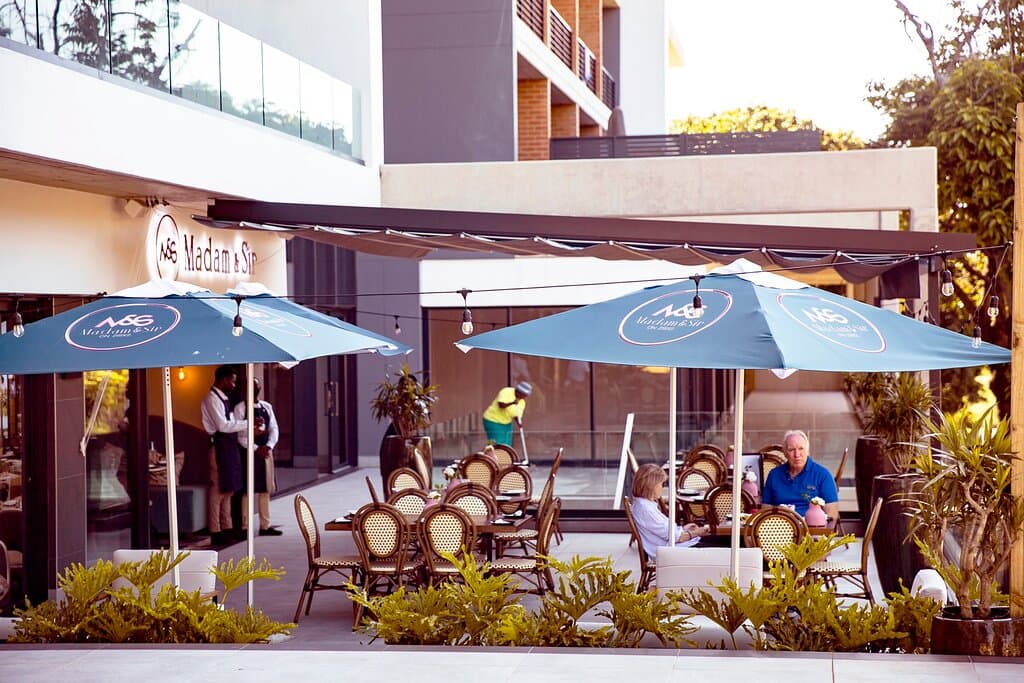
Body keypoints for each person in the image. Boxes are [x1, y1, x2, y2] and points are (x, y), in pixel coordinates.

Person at [201, 365, 247, 545]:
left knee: (228, 488)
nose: (234, 385)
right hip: (219, 446)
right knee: (218, 488)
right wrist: (247, 423)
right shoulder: (211, 399)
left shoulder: (223, 398)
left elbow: (230, 423)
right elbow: (222, 426)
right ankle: (215, 530)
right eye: (232, 381)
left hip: (228, 446)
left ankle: (227, 527)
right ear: (224, 379)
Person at [233, 378, 282, 536]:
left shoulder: (267, 407)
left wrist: (269, 445)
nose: (255, 389)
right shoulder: (240, 408)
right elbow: (240, 436)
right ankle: (245, 526)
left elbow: (274, 428)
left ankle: (265, 525)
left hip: (266, 451)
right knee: (248, 489)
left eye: (256, 385)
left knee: (265, 489)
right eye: (251, 386)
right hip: (248, 452)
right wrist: (256, 448)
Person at [630, 463, 710, 557]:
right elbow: (675, 537)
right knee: (722, 546)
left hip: (675, 547)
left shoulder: (645, 505)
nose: (662, 487)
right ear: (651, 485)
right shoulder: (645, 509)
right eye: (661, 484)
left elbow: (665, 531)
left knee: (717, 539)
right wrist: (697, 532)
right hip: (673, 552)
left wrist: (683, 529)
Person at [761, 429, 839, 519]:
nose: (797, 455)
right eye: (791, 450)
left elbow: (831, 515)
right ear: (785, 453)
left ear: (807, 451)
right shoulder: (774, 475)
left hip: (810, 526)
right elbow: (765, 508)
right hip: (780, 525)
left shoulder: (823, 475)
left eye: (801, 448)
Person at [481, 381, 531, 446]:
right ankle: (489, 450)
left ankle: (502, 453)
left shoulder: (522, 402)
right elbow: (501, 405)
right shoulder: (506, 391)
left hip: (506, 423)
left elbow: (516, 415)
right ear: (519, 391)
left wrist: (518, 422)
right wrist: (512, 403)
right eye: (523, 395)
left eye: (525, 396)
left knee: (507, 443)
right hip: (492, 420)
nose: (524, 397)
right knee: (494, 441)